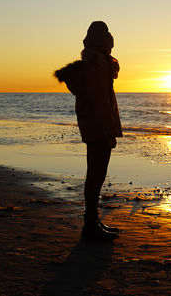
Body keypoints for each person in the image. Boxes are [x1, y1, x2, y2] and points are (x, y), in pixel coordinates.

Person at [74, 21, 123, 242]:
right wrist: (108, 131)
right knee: (96, 175)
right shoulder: (96, 62)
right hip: (98, 126)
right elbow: (100, 101)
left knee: (95, 175)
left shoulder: (92, 59)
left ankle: (93, 222)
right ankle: (91, 226)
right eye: (107, 35)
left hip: (93, 124)